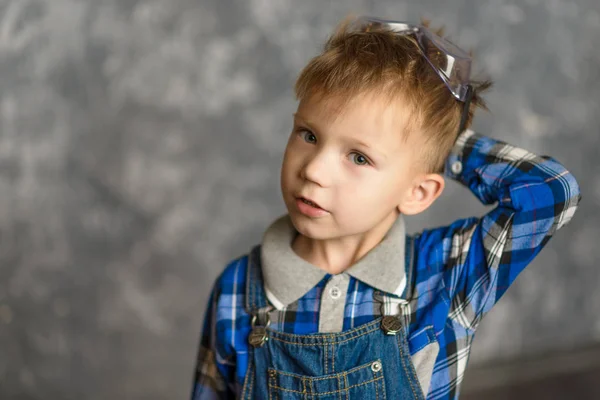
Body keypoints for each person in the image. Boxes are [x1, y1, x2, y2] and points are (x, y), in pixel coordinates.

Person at [191, 16, 582, 400]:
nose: (313, 170)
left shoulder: (447, 274)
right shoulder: (238, 289)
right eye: (309, 135)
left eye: (359, 157)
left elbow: (550, 192)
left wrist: (442, 143)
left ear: (418, 192)